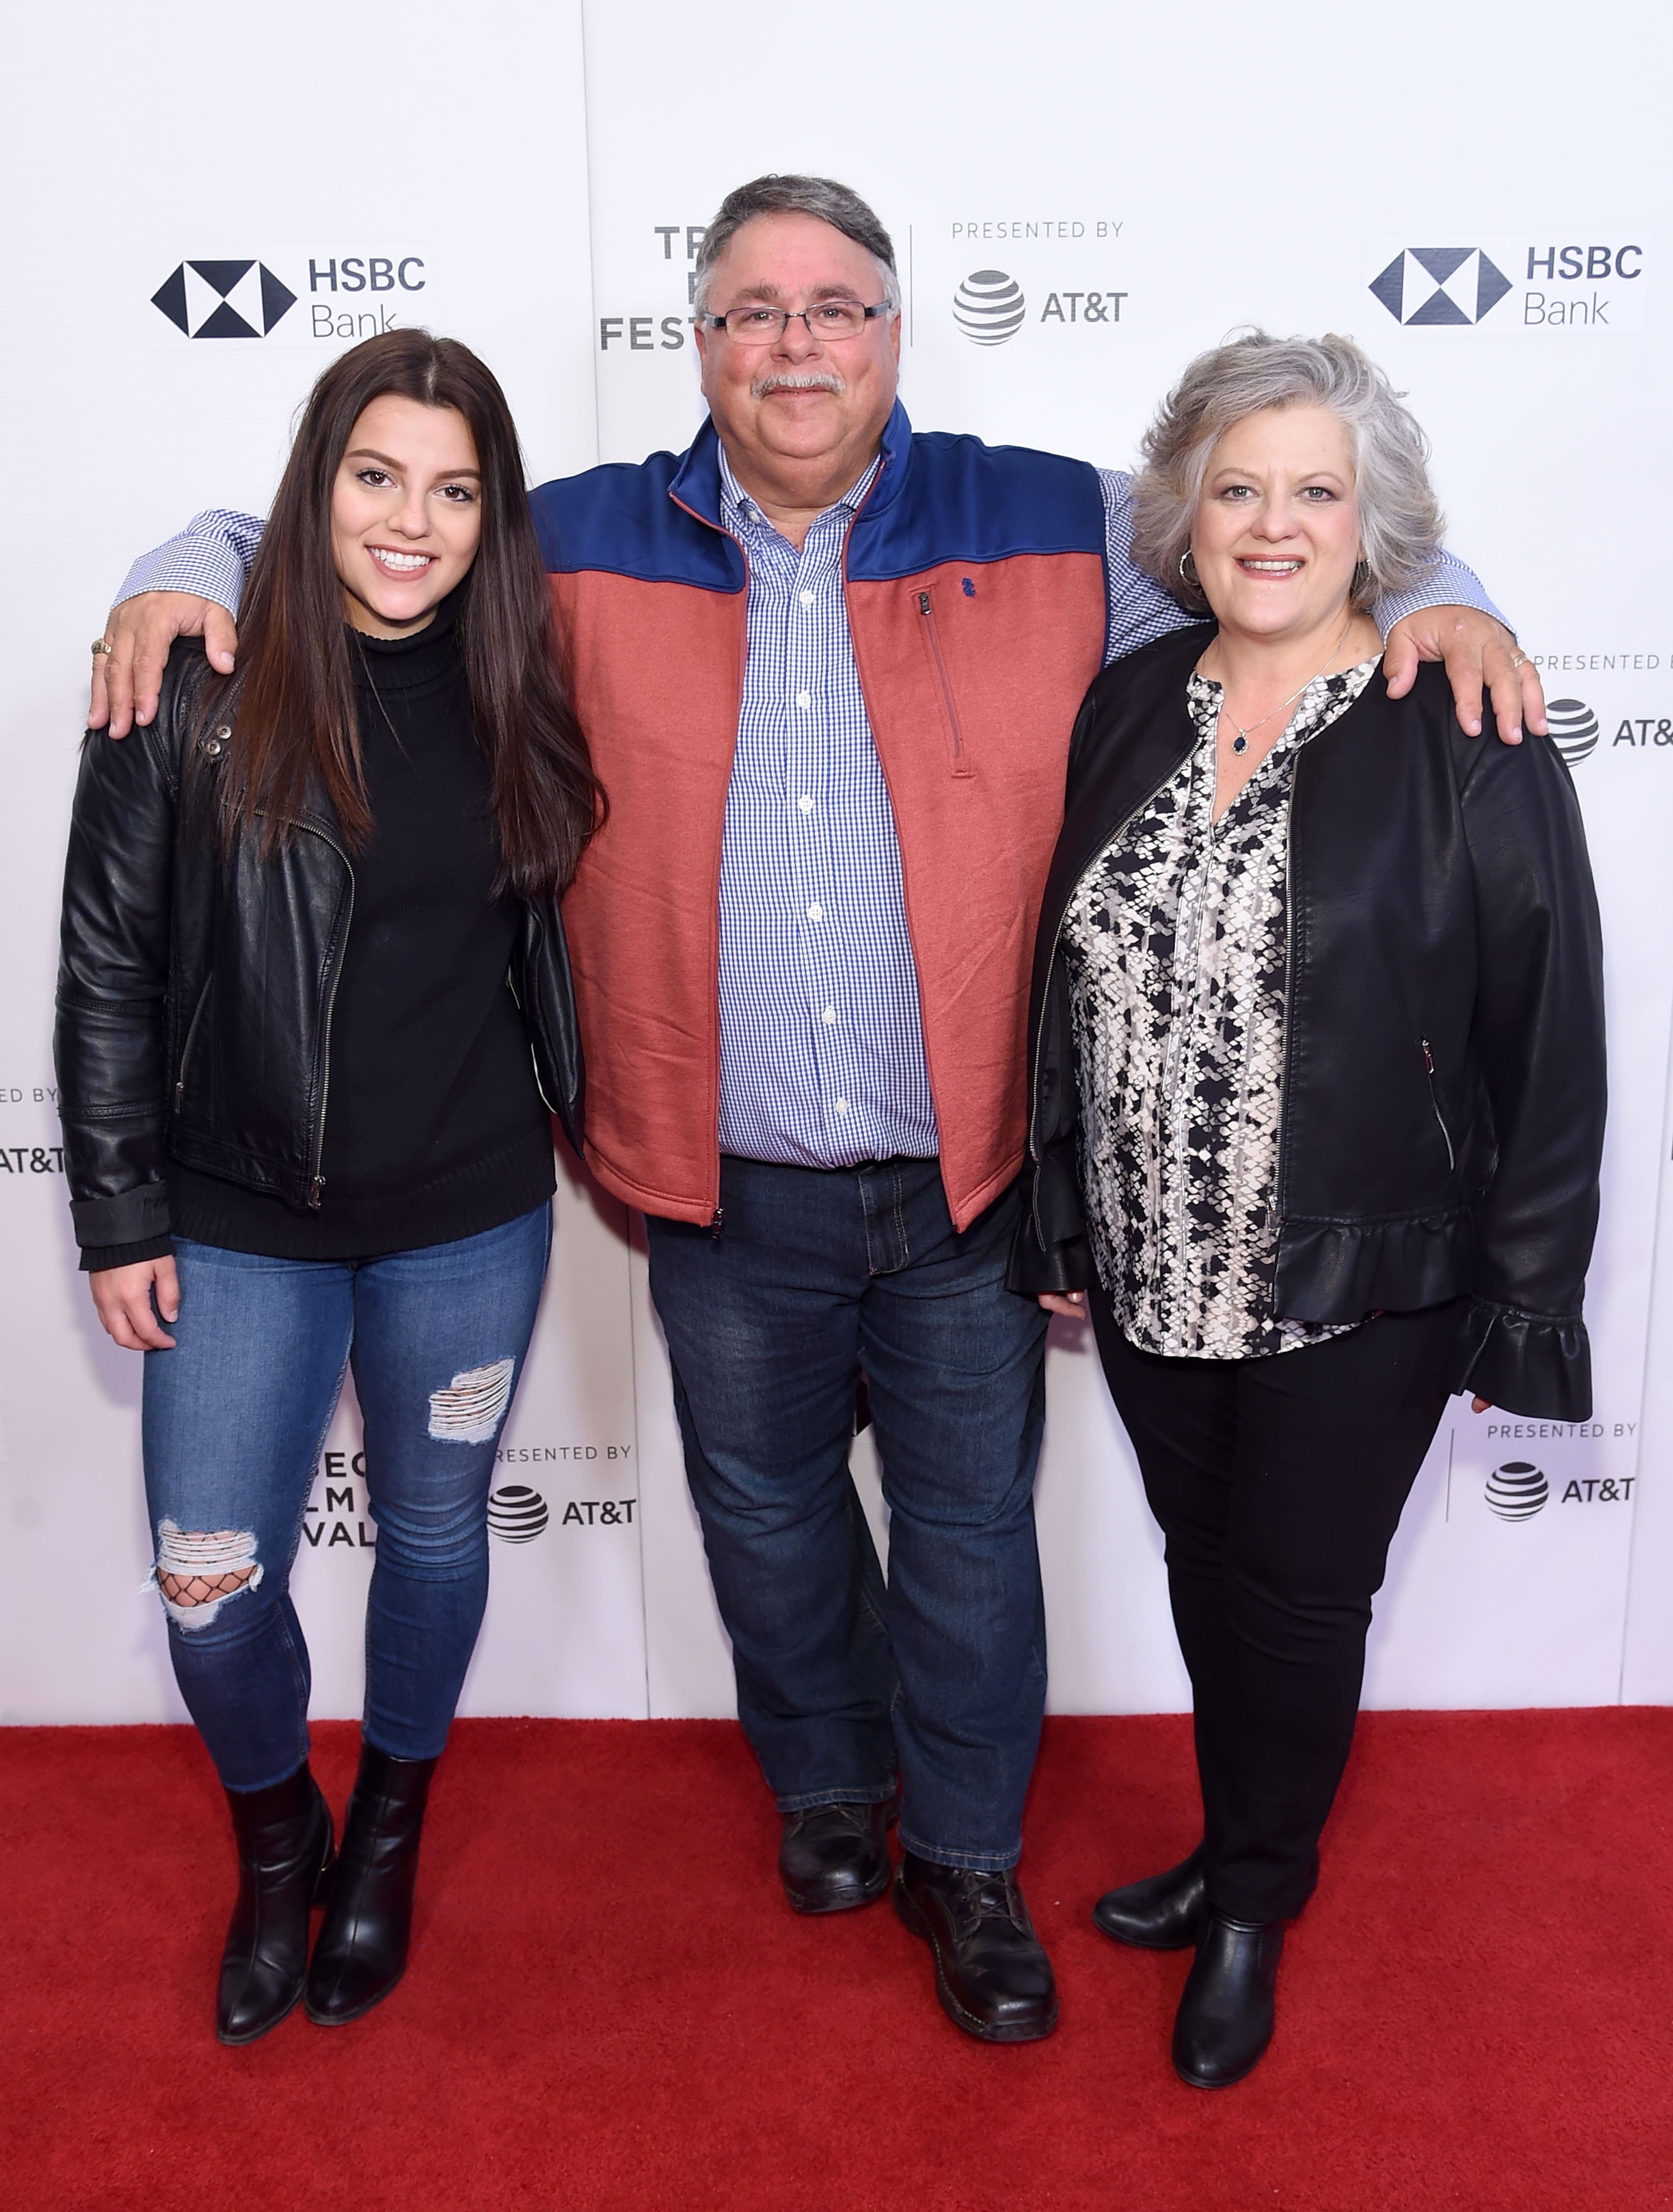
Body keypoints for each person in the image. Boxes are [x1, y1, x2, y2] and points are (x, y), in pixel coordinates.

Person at [87, 177, 1541, 2045]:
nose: (797, 343)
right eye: (755, 309)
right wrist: (182, 560)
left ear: (895, 332)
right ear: (698, 341)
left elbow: (1278, 530)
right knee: (765, 1518)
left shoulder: (1050, 517)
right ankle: (833, 1790)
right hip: (717, 1173)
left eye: (836, 306)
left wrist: (1452, 596)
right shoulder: (574, 538)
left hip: (965, 1176)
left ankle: (967, 1859)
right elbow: (350, 536)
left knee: (966, 1533)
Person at [1010, 331, 1604, 2086]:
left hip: (1361, 1271)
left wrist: (1524, 1300)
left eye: (1314, 491)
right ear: (1185, 517)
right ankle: (1230, 1845)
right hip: (1148, 1265)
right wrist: (1064, 1212)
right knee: (1211, 1572)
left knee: (1294, 1599)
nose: (1271, 524)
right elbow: (1066, 983)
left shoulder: (1462, 728)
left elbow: (1547, 1036)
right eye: (1237, 489)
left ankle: (1254, 1907)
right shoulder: (1130, 702)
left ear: (1373, 525)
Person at [57, 329, 598, 2045]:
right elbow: (106, 961)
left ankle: (389, 1831)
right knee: (211, 1587)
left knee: (434, 1537)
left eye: (453, 490)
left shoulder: (525, 678)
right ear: (318, 481)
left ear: (491, 515)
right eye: (376, 476)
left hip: (471, 1218)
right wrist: (118, 1210)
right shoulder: (196, 676)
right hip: (234, 1219)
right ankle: (279, 1834)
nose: (410, 522)